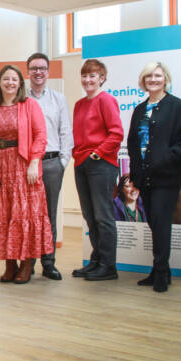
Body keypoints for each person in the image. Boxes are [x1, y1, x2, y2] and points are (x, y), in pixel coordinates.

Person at [127, 62, 181, 292]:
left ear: (165, 78)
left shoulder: (176, 106)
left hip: (166, 177)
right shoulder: (140, 109)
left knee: (161, 222)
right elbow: (132, 143)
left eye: (157, 76)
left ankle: (160, 273)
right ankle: (161, 270)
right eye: (149, 76)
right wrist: (136, 172)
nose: (153, 80)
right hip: (144, 178)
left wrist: (167, 157)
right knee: (154, 223)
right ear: (143, 81)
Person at [0, 64, 53, 284]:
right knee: (4, 216)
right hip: (1, 167)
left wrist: (34, 163)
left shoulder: (29, 105)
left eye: (14, 79)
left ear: (20, 84)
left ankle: (26, 265)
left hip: (24, 167)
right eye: (6, 79)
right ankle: (9, 264)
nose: (10, 83)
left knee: (26, 216)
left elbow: (41, 135)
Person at [71, 59, 124, 281]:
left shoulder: (106, 100)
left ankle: (108, 265)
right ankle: (96, 260)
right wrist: (78, 155)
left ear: (102, 78)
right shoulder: (80, 104)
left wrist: (98, 153)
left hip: (101, 164)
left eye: (93, 76)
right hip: (81, 163)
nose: (88, 80)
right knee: (90, 216)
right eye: (85, 76)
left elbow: (116, 133)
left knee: (103, 216)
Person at [26, 52, 73, 280]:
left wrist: (62, 162)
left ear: (48, 72)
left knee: (49, 215)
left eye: (42, 68)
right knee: (28, 215)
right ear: (28, 71)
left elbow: (66, 132)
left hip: (52, 162)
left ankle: (49, 262)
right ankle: (28, 263)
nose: (38, 72)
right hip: (27, 166)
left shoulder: (58, 99)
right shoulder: (20, 99)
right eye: (34, 68)